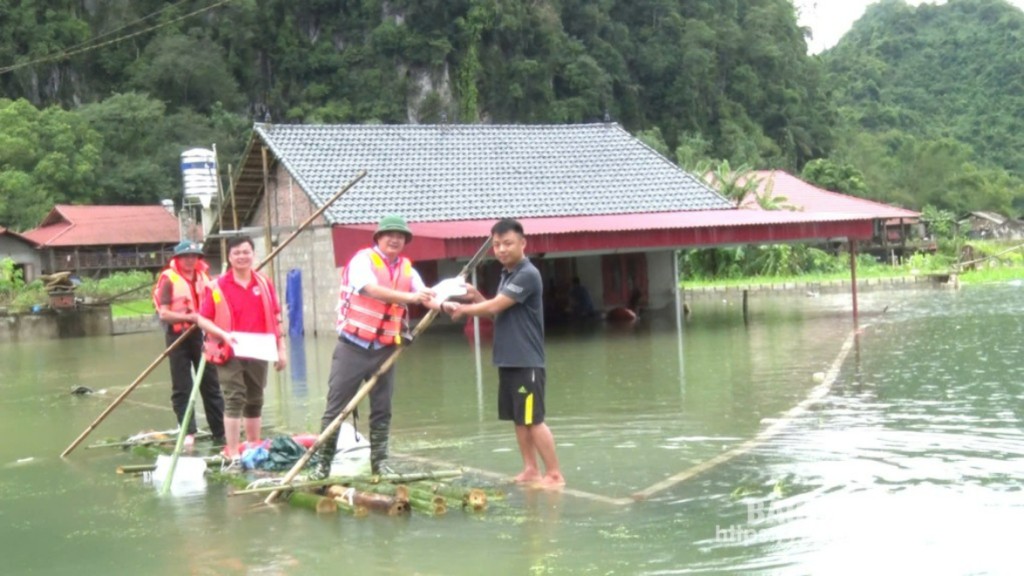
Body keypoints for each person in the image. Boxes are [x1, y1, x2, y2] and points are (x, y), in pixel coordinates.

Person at [312, 215, 435, 479]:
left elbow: (426, 296)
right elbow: (371, 289)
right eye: (389, 234)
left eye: (400, 236)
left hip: (385, 350)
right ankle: (322, 466)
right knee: (336, 407)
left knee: (382, 408)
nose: (394, 239)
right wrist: (411, 297)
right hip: (353, 347)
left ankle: (380, 464)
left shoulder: (407, 269)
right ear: (378, 238)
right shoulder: (361, 261)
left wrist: (448, 301)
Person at [445, 218, 565, 488]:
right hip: (508, 360)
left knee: (533, 420)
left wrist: (463, 309)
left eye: (507, 243)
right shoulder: (507, 274)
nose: (501, 249)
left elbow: (496, 306)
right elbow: (494, 308)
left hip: (527, 361)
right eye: (496, 245)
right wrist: (476, 296)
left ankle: (555, 474)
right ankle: (531, 469)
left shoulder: (527, 274)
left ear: (523, 243)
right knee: (518, 419)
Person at [196, 235, 287, 463]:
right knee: (235, 398)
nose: (242, 257)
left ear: (253, 254)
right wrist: (224, 335)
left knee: (255, 398)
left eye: (246, 252)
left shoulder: (264, 283)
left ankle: (254, 446)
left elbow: (276, 318)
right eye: (237, 253)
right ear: (229, 256)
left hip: (259, 348)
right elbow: (202, 320)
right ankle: (234, 451)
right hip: (230, 349)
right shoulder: (217, 287)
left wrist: (281, 350)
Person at [152, 240, 225, 449]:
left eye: (194, 256)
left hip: (202, 335)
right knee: (182, 386)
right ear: (177, 259)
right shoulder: (169, 280)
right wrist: (192, 317)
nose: (191, 260)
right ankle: (188, 431)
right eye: (186, 256)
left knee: (210, 383)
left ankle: (219, 431)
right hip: (178, 336)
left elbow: (215, 302)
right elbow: (164, 313)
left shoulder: (204, 277)